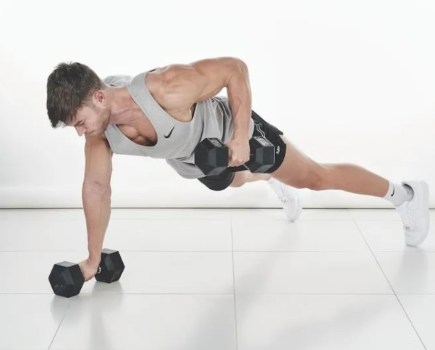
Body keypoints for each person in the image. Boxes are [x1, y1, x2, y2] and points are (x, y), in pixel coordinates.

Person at [46, 57, 430, 281]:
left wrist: (242, 136)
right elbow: (96, 188)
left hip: (230, 133)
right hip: (197, 162)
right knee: (235, 183)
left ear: (99, 97)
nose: (80, 132)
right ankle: (272, 180)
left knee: (315, 177)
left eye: (79, 122)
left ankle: (405, 195)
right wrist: (92, 260)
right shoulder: (98, 135)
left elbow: (235, 69)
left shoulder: (167, 87)